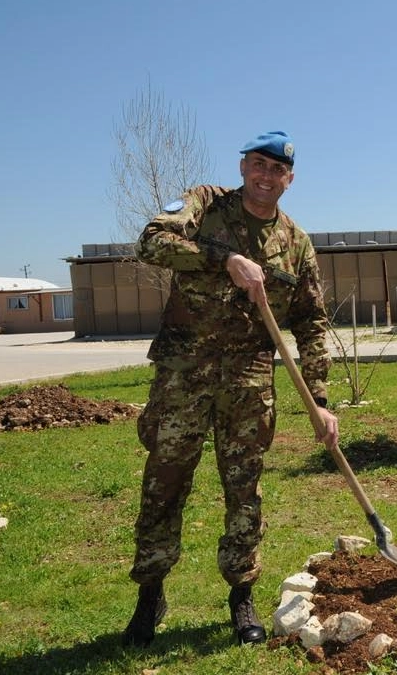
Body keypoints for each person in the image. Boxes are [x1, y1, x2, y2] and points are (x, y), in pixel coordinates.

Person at [122, 131, 339, 648]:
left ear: (290, 179)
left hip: (248, 379)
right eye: (257, 165)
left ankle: (241, 595)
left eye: (277, 170)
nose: (265, 176)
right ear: (243, 166)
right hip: (184, 374)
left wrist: (321, 401)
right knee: (165, 481)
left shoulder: (296, 243)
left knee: (244, 490)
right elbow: (150, 241)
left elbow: (311, 323)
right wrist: (224, 261)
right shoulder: (203, 204)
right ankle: (149, 594)